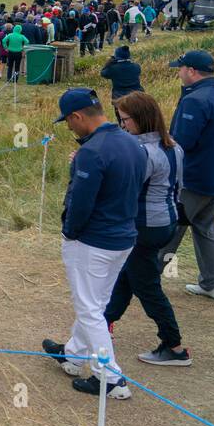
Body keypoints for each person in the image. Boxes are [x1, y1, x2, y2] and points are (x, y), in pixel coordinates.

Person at [43, 88, 145, 400]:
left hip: (94, 241)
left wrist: (69, 233)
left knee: (89, 307)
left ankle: (110, 378)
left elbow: (81, 204)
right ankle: (74, 356)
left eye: (68, 122)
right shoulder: (132, 142)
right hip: (123, 237)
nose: (69, 127)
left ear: (77, 116)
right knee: (95, 303)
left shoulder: (92, 151)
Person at [104, 92, 191, 366]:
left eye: (125, 120)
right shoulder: (174, 147)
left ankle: (174, 346)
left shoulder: (142, 152)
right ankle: (103, 325)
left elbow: (123, 188)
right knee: (127, 277)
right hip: (166, 220)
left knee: (147, 286)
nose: (123, 125)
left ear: (140, 119)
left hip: (144, 225)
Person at [160, 50, 214, 299]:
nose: (179, 72)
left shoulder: (194, 100)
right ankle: (212, 282)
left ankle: (145, 278)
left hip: (192, 179)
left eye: (181, 68)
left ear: (192, 71)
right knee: (205, 229)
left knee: (170, 227)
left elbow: (181, 143)